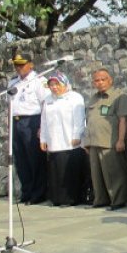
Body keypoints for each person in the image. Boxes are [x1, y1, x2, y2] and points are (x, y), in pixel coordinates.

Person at [83, 68, 127, 210]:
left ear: (110, 80)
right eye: (97, 80)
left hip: (110, 142)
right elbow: (89, 120)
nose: (100, 82)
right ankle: (100, 200)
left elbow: (123, 120)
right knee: (96, 175)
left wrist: (121, 140)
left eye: (103, 79)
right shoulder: (93, 98)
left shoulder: (118, 96)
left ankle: (117, 200)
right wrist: (86, 141)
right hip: (93, 142)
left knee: (114, 174)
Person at [39, 72, 88, 206]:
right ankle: (57, 199)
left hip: (70, 142)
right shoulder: (48, 100)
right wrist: (43, 138)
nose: (54, 87)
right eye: (51, 85)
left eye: (57, 84)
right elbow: (43, 120)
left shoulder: (75, 98)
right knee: (56, 173)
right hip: (54, 141)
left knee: (69, 172)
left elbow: (79, 118)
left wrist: (76, 135)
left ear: (65, 84)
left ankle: (71, 199)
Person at [8, 53, 49, 205]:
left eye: (22, 64)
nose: (19, 68)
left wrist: (42, 127)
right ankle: (27, 192)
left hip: (32, 121)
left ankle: (38, 194)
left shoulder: (39, 81)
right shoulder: (13, 82)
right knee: (20, 159)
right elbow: (10, 105)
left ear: (30, 64)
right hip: (16, 121)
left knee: (35, 159)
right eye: (16, 65)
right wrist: (9, 124)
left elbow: (45, 104)